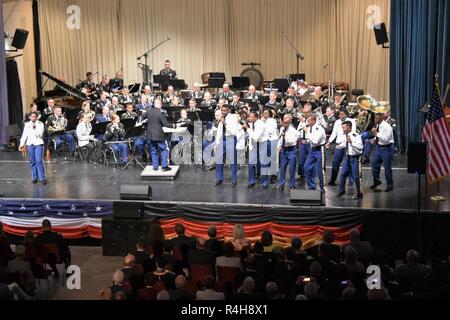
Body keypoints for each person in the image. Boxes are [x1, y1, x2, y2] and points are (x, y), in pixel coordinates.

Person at [142, 98, 175, 171]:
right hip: (159, 135)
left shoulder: (148, 111)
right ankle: (164, 166)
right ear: (160, 104)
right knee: (164, 149)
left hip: (150, 135)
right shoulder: (160, 113)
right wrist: (174, 126)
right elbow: (166, 124)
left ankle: (155, 167)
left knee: (154, 150)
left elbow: (141, 117)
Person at [326, 110, 356, 186]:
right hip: (338, 146)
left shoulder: (351, 121)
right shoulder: (337, 122)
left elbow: (352, 133)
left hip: (347, 145)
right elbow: (334, 133)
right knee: (335, 163)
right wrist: (329, 142)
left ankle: (351, 180)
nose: (340, 116)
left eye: (342, 114)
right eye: (339, 115)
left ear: (346, 114)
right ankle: (333, 180)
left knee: (348, 163)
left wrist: (344, 143)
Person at [337, 121, 364, 200]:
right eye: (342, 127)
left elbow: (360, 147)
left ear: (349, 127)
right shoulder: (345, 135)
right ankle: (341, 190)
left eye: (344, 127)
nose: (343, 129)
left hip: (355, 158)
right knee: (343, 174)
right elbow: (344, 144)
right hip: (347, 157)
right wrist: (340, 146)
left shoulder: (356, 136)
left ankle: (359, 193)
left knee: (356, 176)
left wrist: (352, 142)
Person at [19, 112, 47, 185]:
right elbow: (24, 135)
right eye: (32, 117)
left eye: (35, 117)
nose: (33, 118)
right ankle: (34, 178)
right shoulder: (27, 124)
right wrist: (21, 144)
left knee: (38, 161)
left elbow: (40, 134)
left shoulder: (40, 124)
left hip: (38, 144)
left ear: (37, 117)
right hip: (30, 144)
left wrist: (35, 128)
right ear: (30, 117)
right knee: (32, 162)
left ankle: (42, 178)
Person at [370, 113, 395, 192]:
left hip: (387, 148)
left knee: (387, 168)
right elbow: (379, 135)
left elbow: (386, 139)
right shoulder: (378, 125)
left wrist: (376, 133)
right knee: (374, 164)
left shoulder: (387, 127)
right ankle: (377, 181)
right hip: (379, 147)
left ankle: (390, 185)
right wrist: (374, 139)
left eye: (377, 118)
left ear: (381, 118)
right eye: (375, 118)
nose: (375, 120)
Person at [304, 115, 327, 192]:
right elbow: (312, 140)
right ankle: (311, 186)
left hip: (320, 150)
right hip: (312, 150)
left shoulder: (319, 129)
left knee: (320, 170)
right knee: (306, 167)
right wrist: (307, 141)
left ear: (314, 121)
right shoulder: (311, 128)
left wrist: (307, 132)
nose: (307, 123)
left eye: (309, 121)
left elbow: (315, 141)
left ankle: (322, 187)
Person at [277, 115, 299, 191]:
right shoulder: (282, 129)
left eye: (286, 124)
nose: (284, 125)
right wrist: (279, 146)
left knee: (292, 169)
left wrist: (285, 136)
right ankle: (281, 184)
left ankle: (292, 184)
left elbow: (292, 141)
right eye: (283, 123)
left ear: (289, 123)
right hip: (284, 150)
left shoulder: (293, 131)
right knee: (282, 168)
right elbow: (280, 139)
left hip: (291, 150)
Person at [244, 111, 265, 188]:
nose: (249, 118)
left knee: (263, 164)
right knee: (251, 164)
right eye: (249, 116)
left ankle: (265, 182)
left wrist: (247, 129)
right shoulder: (250, 124)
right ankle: (251, 181)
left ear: (256, 117)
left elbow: (256, 137)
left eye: (251, 117)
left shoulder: (260, 124)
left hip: (261, 145)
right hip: (253, 146)